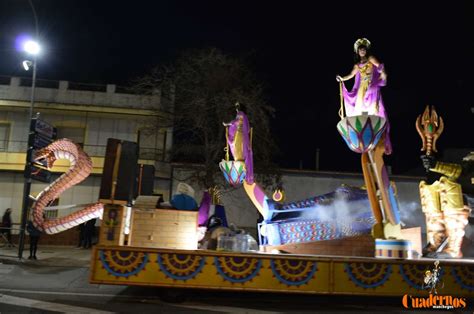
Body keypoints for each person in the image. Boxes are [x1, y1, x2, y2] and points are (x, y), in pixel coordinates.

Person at [336, 38, 392, 154]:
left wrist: (383, 73)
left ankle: (371, 125)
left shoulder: (371, 59)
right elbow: (351, 75)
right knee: (360, 106)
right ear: (357, 52)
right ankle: (363, 126)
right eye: (360, 50)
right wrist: (342, 79)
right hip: (362, 87)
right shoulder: (357, 65)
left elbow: (379, 66)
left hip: (371, 85)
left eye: (363, 49)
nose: (362, 51)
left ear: (366, 50)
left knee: (372, 106)